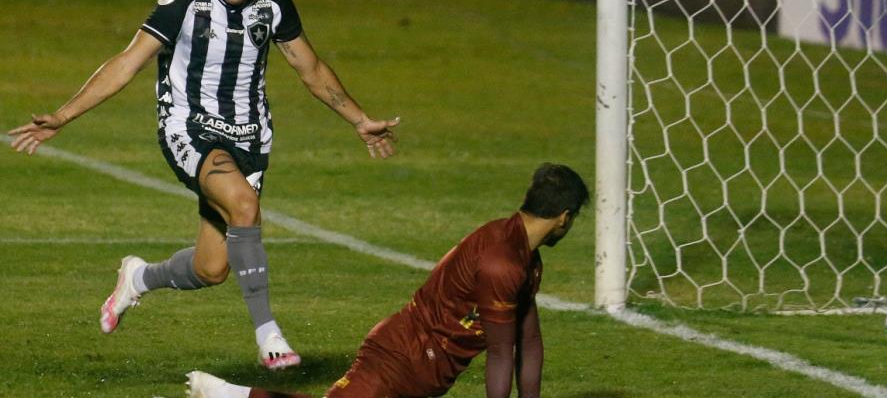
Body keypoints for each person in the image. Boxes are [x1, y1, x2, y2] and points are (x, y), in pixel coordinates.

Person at [6, 0, 399, 370]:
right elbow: (127, 62)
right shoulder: (187, 0)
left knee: (212, 269)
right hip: (188, 127)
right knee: (244, 205)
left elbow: (310, 68)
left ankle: (137, 277)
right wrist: (63, 114)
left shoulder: (274, 5)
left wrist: (360, 120)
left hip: (249, 136)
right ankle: (268, 333)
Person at [184, 163, 589, 398]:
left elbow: (529, 340)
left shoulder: (525, 259)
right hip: (401, 358)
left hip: (427, 373)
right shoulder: (504, 261)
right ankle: (226, 393)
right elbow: (502, 354)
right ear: (564, 217)